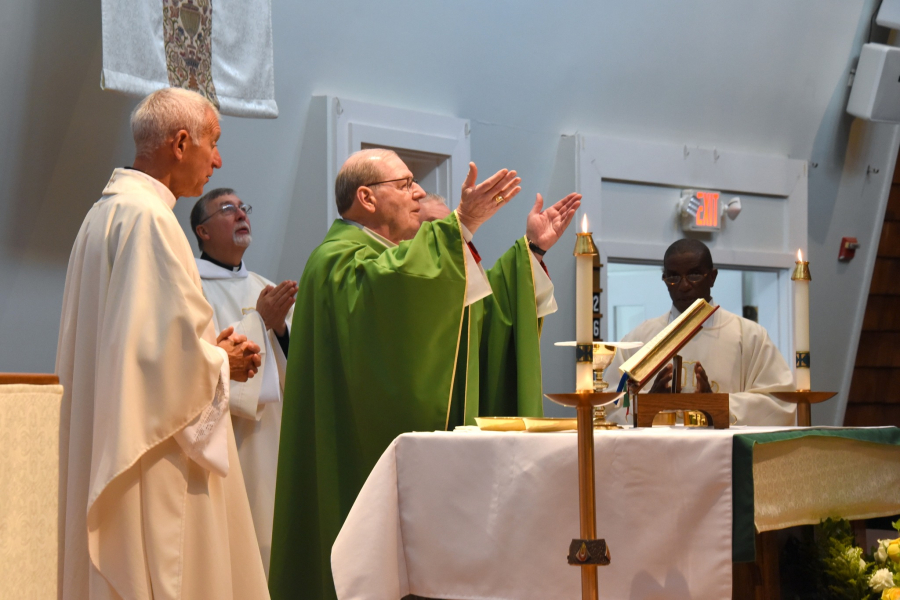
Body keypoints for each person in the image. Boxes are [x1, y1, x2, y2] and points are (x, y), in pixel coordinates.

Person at [268, 148, 581, 599]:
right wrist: (461, 225)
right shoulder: (337, 261)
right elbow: (392, 294)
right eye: (406, 183)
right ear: (367, 198)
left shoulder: (391, 262)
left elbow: (478, 326)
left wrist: (531, 251)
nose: (417, 192)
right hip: (356, 467)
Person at [56, 87, 270, 599]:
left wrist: (205, 351)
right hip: (154, 458)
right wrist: (223, 362)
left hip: (112, 435)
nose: (217, 160)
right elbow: (158, 365)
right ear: (180, 143)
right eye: (212, 143)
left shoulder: (102, 215)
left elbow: (136, 344)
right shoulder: (150, 219)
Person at [190, 187, 297, 577]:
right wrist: (262, 323)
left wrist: (281, 328)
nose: (241, 215)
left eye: (243, 208)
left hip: (272, 437)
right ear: (202, 231)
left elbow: (294, 370)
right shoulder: (191, 288)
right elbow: (204, 362)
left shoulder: (263, 287)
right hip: (225, 439)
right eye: (227, 209)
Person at [606, 238, 797, 425]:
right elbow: (609, 408)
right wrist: (649, 402)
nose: (684, 286)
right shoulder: (639, 340)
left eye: (694, 275)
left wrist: (717, 405)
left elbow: (780, 404)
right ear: (664, 279)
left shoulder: (750, 337)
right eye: (673, 277)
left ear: (712, 277)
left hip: (723, 454)